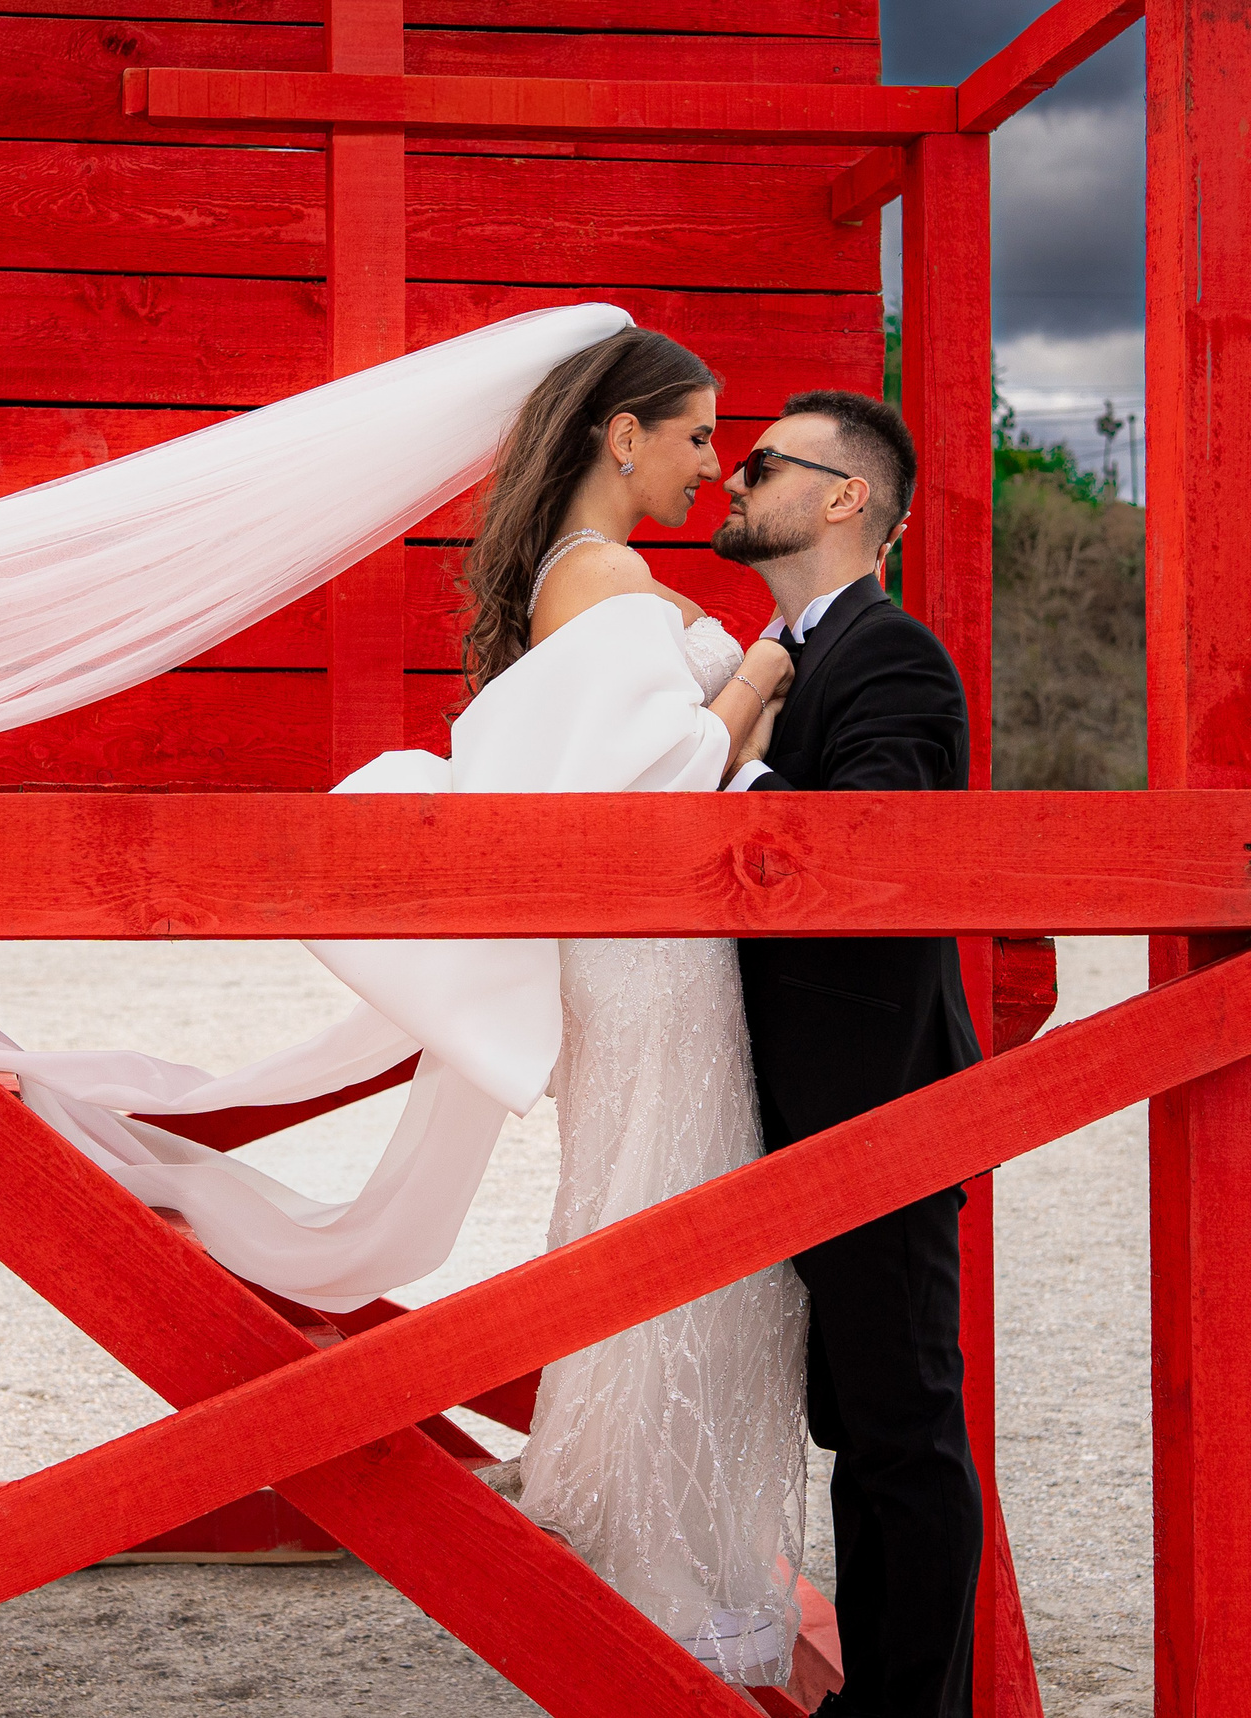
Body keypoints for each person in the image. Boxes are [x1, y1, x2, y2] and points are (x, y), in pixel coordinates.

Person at [455, 328, 810, 1685]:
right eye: (699, 435)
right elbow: (657, 781)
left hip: (635, 952)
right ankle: (669, 1585)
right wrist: (763, 677)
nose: (714, 466)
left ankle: (643, 1550)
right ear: (622, 435)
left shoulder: (579, 576)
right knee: (678, 1216)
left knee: (641, 1204)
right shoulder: (606, 580)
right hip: (655, 953)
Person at [719, 391, 983, 1718]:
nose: (736, 474)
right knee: (858, 1428)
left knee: (904, 1433)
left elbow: (874, 854)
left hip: (882, 1101)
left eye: (762, 461)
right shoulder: (785, 650)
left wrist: (732, 777)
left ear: (839, 497)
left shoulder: (894, 659)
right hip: (815, 1107)